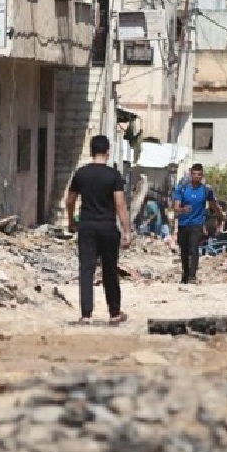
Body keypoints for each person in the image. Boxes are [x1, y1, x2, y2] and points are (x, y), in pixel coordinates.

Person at [65, 135, 131, 326]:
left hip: (87, 227)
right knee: (110, 270)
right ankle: (114, 313)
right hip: (108, 228)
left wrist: (71, 221)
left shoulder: (81, 174)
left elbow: (70, 201)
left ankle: (86, 315)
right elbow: (120, 204)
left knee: (86, 270)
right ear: (108, 152)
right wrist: (127, 231)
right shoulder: (113, 175)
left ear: (91, 151)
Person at [173, 163, 223, 284]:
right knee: (184, 251)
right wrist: (182, 210)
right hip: (183, 224)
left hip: (197, 224)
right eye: (194, 174)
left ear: (202, 176)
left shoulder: (206, 190)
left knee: (194, 249)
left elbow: (212, 205)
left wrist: (220, 215)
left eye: (199, 175)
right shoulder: (182, 188)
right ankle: (185, 275)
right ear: (191, 174)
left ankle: (192, 276)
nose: (196, 177)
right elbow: (175, 207)